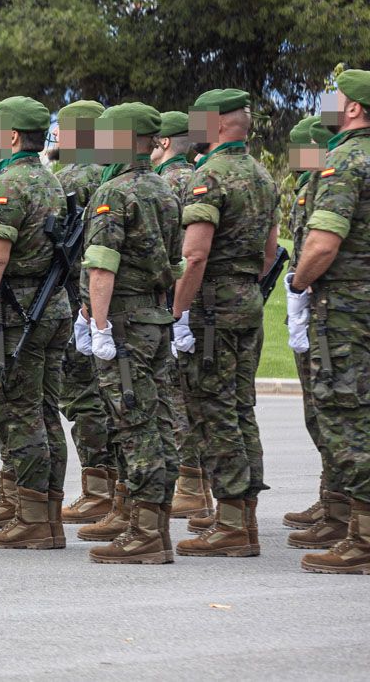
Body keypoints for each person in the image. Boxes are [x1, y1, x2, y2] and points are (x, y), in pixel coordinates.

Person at [171, 89, 278, 557]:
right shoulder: (260, 174)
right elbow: (270, 252)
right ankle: (243, 517)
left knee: (214, 411)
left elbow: (194, 254)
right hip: (246, 300)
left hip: (211, 307)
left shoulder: (209, 176)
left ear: (215, 125)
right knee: (240, 407)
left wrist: (176, 312)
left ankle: (231, 523)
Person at [0, 97, 68, 549]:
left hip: (16, 313)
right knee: (43, 412)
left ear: (11, 137)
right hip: (49, 308)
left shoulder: (9, 186)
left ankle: (33, 520)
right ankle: (47, 512)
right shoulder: (50, 181)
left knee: (18, 413)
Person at [83, 102, 183, 564]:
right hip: (155, 318)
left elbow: (102, 267)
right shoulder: (165, 189)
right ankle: (153, 526)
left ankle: (144, 534)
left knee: (134, 425)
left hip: (123, 322)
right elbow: (177, 263)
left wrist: (97, 325)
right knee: (157, 422)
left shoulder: (114, 193)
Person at [287, 67, 370, 573]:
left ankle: (362, 539)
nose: (327, 103)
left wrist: (298, 284)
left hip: (346, 311)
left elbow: (323, 241)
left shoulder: (344, 161)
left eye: (334, 97)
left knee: (346, 415)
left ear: (355, 108)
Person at [52, 100, 119, 530]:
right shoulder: (110, 176)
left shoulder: (73, 178)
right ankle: (113, 486)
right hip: (110, 299)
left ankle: (98, 489)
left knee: (81, 397)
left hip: (78, 297)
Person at [281, 115, 346, 547]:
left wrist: (299, 285)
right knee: (321, 410)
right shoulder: (311, 185)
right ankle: (334, 499)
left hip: (336, 310)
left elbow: (319, 245)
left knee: (336, 411)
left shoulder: (331, 179)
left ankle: (344, 513)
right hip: (323, 308)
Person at [152, 108, 207, 519]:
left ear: (165, 143)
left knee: (174, 397)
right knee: (197, 396)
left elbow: (180, 253)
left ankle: (189, 485)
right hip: (208, 302)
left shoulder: (167, 182)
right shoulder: (197, 177)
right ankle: (198, 483)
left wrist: (175, 308)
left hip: (177, 299)